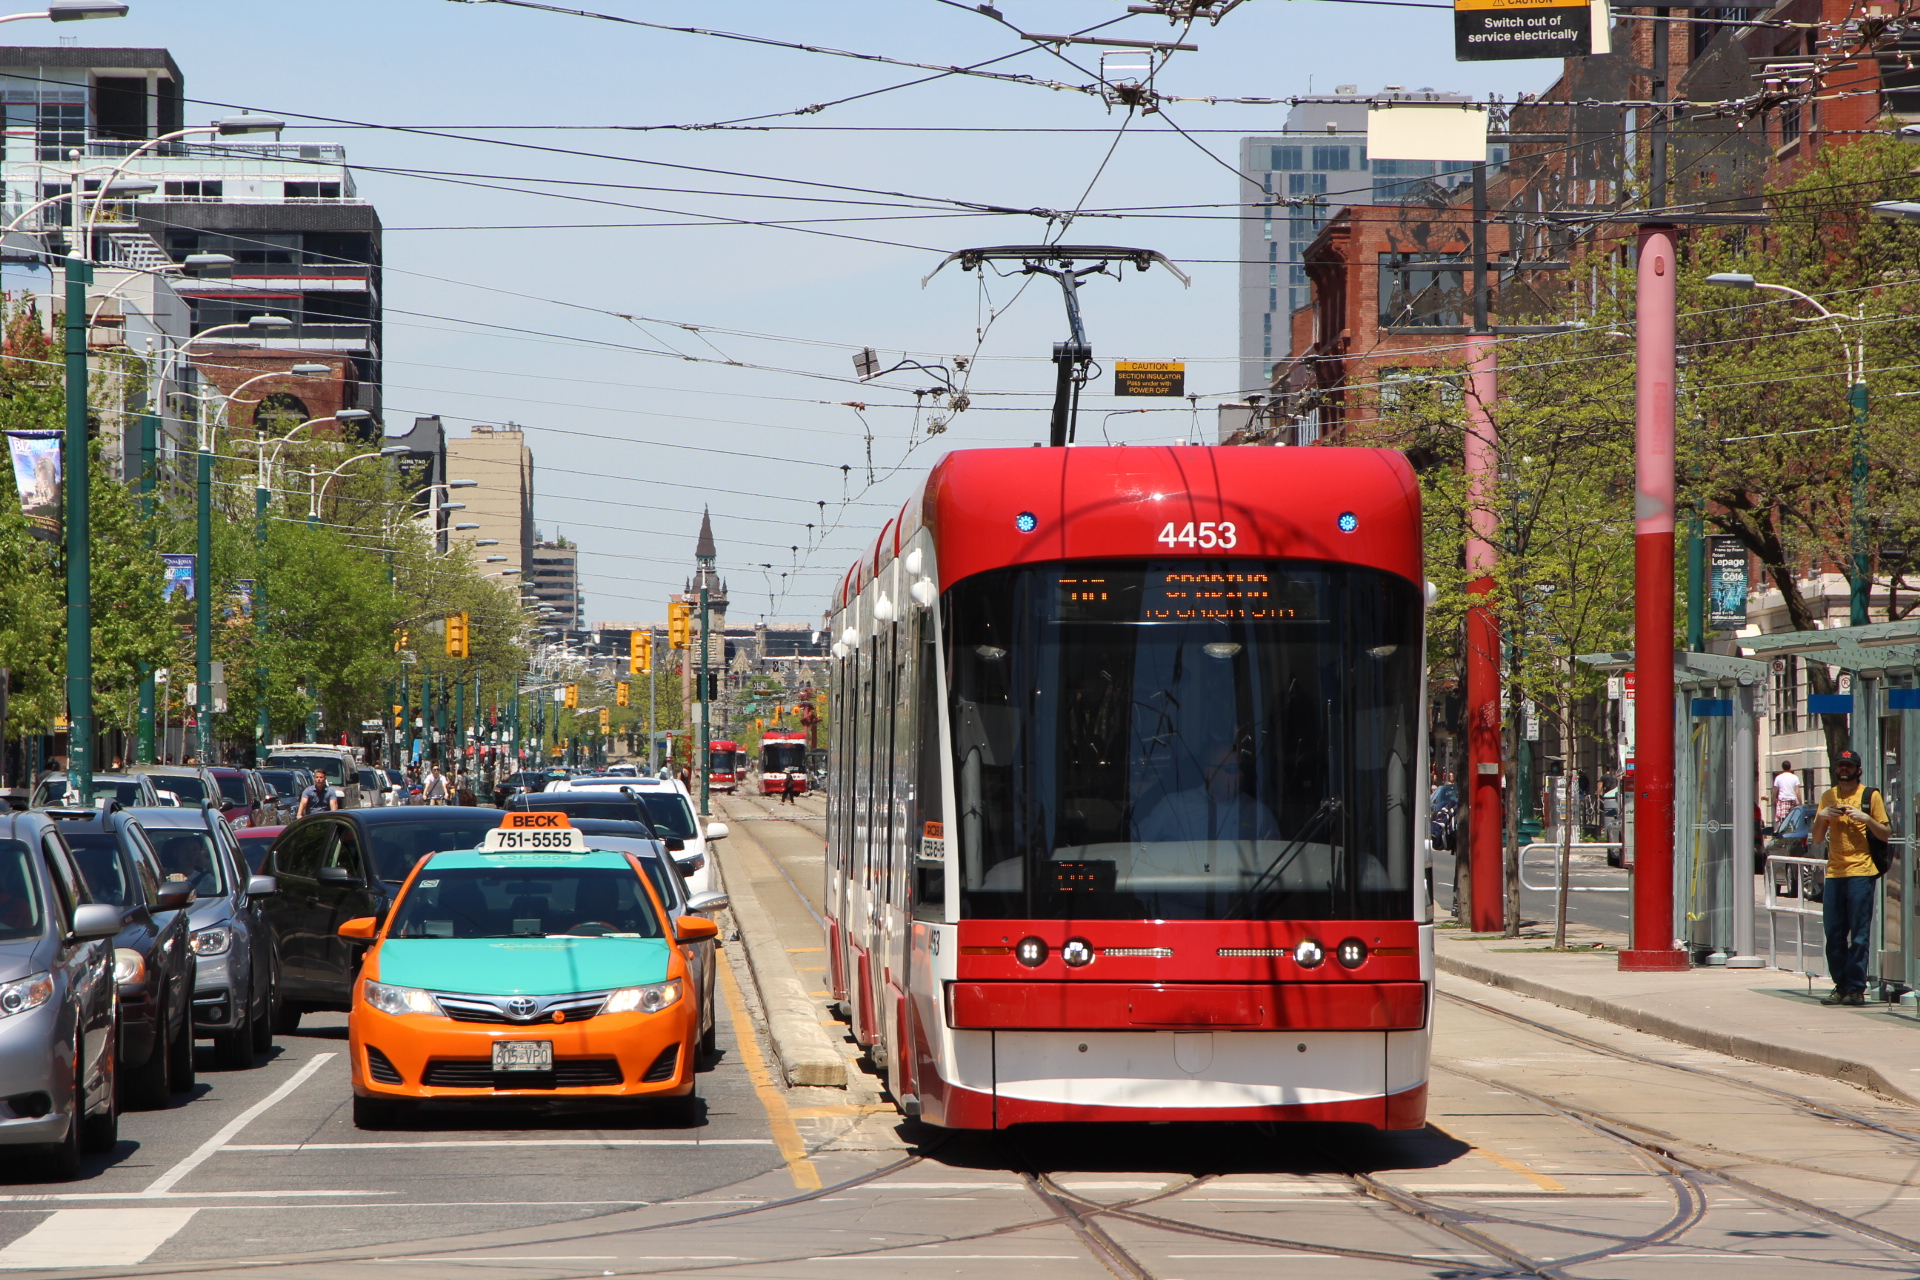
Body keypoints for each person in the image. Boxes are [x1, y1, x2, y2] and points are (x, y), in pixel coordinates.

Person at [1809, 749, 1889, 1006]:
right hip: (1835, 873)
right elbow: (1818, 838)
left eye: (1849, 766)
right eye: (1841, 765)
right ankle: (1840, 984)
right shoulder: (1828, 796)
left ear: (1858, 769)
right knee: (1833, 933)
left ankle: (1856, 987)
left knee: (1859, 935)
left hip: (1861, 873)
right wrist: (1821, 817)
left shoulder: (1870, 796)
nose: (1844, 769)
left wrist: (1866, 818)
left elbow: (1886, 833)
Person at [1773, 760, 1803, 826]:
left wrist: (1774, 799)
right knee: (1793, 819)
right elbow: (1797, 791)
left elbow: (1775, 790)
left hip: (1782, 801)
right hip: (1792, 801)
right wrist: (1801, 802)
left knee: (1783, 820)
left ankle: (1784, 833)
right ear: (1790, 767)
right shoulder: (1795, 778)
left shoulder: (1778, 778)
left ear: (1782, 767)